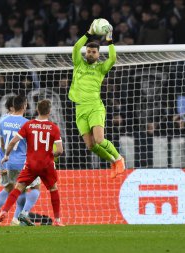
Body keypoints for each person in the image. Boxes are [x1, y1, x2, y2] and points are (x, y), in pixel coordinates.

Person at [0, 99, 65, 227]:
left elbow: (13, 142)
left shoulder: (29, 125)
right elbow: (60, 151)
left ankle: (3, 212)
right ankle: (57, 220)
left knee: (18, 188)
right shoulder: (54, 128)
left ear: (37, 110)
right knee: (53, 189)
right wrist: (51, 156)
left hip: (30, 163)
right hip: (46, 164)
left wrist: (7, 155)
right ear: (49, 111)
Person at [68, 19, 125, 178]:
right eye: (89, 51)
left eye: (94, 52)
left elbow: (113, 58)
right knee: (90, 145)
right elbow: (76, 47)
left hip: (94, 107)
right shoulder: (78, 63)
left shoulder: (101, 68)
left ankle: (120, 159)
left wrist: (110, 40)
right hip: (79, 108)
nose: (90, 53)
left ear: (98, 55)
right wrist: (88, 33)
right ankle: (112, 161)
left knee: (99, 140)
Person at [0, 95, 41, 226]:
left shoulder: (2, 121)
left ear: (13, 106)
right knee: (33, 188)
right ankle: (17, 218)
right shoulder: (27, 123)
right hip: (22, 162)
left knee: (9, 188)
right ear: (25, 105)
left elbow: (2, 144)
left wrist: (4, 159)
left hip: (6, 161)